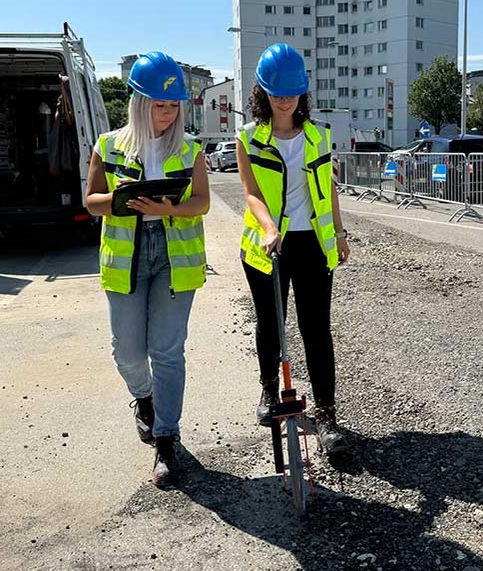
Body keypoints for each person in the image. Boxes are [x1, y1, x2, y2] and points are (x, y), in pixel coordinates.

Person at [85, 52, 209, 487]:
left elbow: (202, 204)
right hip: (128, 257)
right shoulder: (107, 145)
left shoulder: (190, 148)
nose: (167, 113)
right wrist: (119, 198)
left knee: (167, 352)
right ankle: (144, 397)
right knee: (128, 352)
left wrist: (168, 207)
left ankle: (166, 440)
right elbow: (91, 202)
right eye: (159, 105)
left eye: (173, 106)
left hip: (174, 259)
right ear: (139, 103)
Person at [236, 44, 350, 457]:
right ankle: (269, 391)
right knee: (271, 323)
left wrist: (338, 232)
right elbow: (250, 192)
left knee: (316, 329)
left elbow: (328, 188)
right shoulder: (249, 138)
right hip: (268, 245)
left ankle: (327, 417)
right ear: (262, 92)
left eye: (292, 92)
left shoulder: (319, 136)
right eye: (276, 92)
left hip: (312, 245)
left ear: (303, 92)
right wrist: (268, 228)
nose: (285, 100)